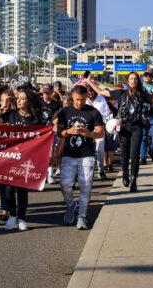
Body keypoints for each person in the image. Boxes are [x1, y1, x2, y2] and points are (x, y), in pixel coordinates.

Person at [86, 73, 153, 192]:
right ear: (128, 81)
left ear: (138, 81)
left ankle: (133, 180)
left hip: (137, 127)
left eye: (135, 79)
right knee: (125, 154)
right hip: (123, 127)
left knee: (134, 154)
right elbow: (102, 92)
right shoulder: (121, 93)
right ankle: (125, 174)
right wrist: (89, 82)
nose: (133, 81)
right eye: (131, 79)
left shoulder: (142, 94)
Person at [53, 85, 104, 230]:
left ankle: (82, 216)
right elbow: (59, 132)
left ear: (87, 97)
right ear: (72, 98)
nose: (79, 103)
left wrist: (89, 133)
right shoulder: (65, 111)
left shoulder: (94, 112)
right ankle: (70, 205)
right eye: (76, 100)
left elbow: (100, 132)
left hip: (87, 155)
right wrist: (68, 131)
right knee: (65, 184)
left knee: (85, 186)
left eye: (82, 100)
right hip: (68, 154)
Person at [0, 89, 42, 231]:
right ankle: (12, 216)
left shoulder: (34, 118)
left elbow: (41, 137)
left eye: (22, 98)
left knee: (21, 190)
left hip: (26, 158)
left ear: (29, 101)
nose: (19, 100)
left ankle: (22, 217)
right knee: (8, 189)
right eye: (18, 98)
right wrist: (2, 107)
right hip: (10, 157)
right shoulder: (11, 114)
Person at [0, 89, 15, 225]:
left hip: (19, 153)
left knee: (16, 185)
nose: (7, 102)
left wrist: (14, 105)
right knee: (3, 183)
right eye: (5, 99)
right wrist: (2, 108)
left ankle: (16, 211)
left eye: (10, 99)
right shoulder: (3, 115)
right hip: (3, 153)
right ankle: (5, 211)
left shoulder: (18, 114)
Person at [86, 86, 112, 179]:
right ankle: (89, 171)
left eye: (92, 91)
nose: (91, 93)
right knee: (88, 150)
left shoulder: (101, 99)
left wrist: (98, 115)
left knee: (100, 149)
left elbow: (107, 112)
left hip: (99, 126)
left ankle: (101, 170)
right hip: (87, 128)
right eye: (89, 91)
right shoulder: (84, 99)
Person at [40, 84, 62, 184]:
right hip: (39, 131)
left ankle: (49, 174)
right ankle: (41, 174)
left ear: (52, 92)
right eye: (44, 92)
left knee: (50, 154)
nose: (45, 94)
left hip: (51, 131)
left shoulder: (56, 104)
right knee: (40, 154)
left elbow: (58, 116)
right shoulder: (38, 102)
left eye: (47, 92)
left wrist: (53, 123)